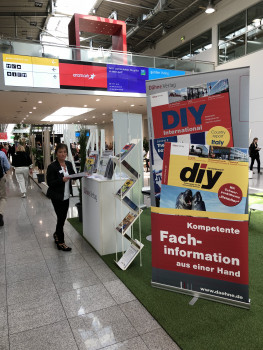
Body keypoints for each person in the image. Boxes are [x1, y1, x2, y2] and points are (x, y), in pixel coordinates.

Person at [46, 143, 80, 252]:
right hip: (56, 196)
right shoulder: (52, 166)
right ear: (56, 153)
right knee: (61, 219)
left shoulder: (69, 164)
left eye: (65, 152)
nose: (63, 154)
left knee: (62, 218)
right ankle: (61, 242)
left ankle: (56, 234)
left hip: (66, 195)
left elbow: (74, 175)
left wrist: (85, 174)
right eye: (60, 152)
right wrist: (62, 180)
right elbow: (50, 183)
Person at [0, 149, 11, 226]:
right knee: (2, 197)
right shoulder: (1, 154)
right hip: (0, 177)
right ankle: (0, 214)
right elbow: (7, 166)